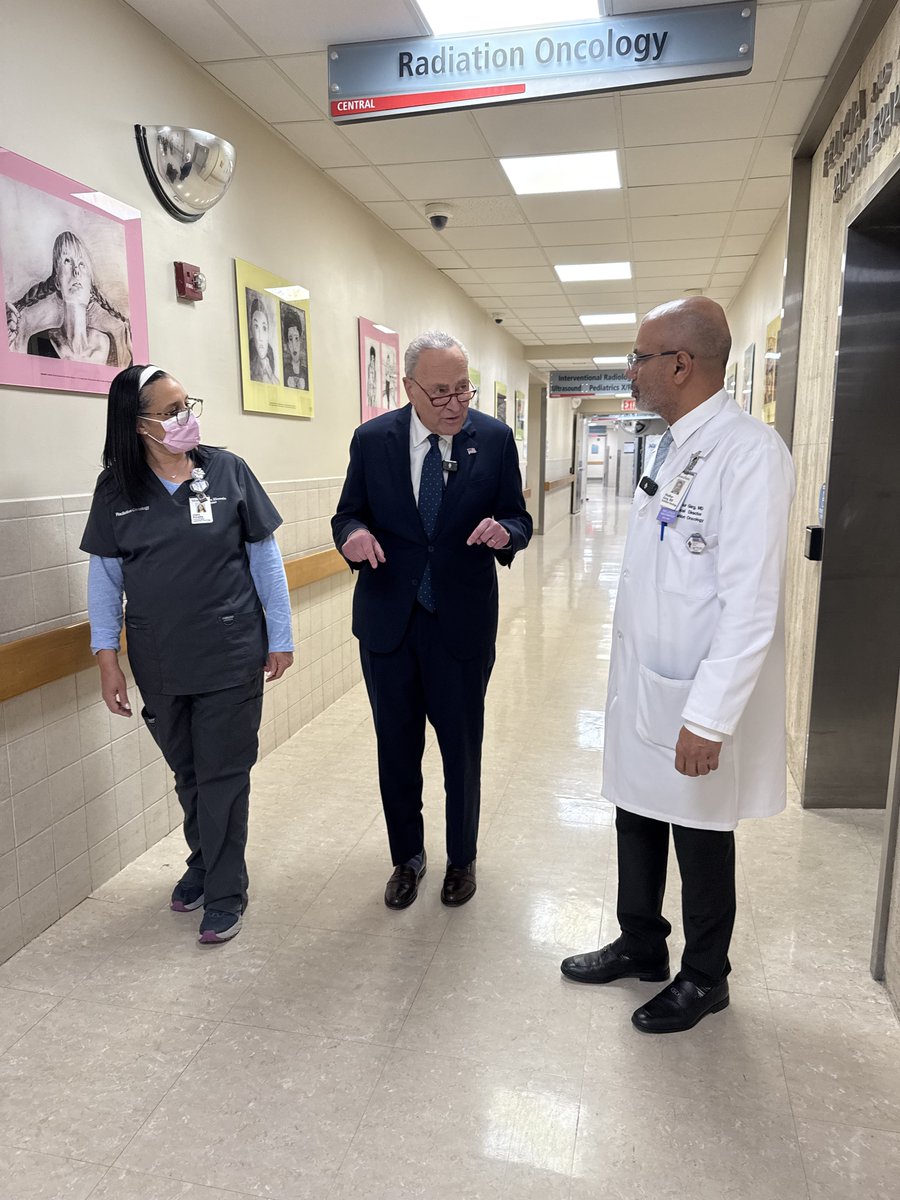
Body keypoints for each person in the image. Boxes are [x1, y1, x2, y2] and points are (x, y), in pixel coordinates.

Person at [561, 298, 795, 1033]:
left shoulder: (749, 453)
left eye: (639, 358)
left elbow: (751, 603)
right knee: (636, 810)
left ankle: (705, 976)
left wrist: (711, 716)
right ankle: (641, 943)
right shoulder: (673, 445)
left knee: (699, 830)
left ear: (682, 364)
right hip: (646, 678)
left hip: (695, 689)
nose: (631, 371)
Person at [80, 364, 294, 943]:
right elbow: (105, 580)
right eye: (171, 411)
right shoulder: (116, 490)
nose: (185, 418)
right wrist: (106, 658)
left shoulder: (227, 470)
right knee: (189, 772)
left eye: (187, 405)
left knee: (224, 774)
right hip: (159, 657)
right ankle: (203, 863)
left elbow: (265, 560)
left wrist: (280, 635)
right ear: (138, 424)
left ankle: (225, 890)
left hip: (230, 650)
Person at [332, 331, 532, 909]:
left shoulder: (492, 439)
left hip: (460, 624)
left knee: (461, 750)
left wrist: (505, 533)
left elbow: (518, 517)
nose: (455, 403)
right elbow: (346, 515)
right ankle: (407, 857)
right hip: (389, 624)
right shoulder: (373, 440)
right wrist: (353, 535)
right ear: (409, 388)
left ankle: (461, 858)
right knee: (396, 749)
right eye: (440, 391)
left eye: (463, 389)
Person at [5, 230, 132, 365]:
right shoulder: (39, 342)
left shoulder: (108, 343)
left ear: (91, 288)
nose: (76, 271)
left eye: (82, 264)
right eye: (67, 261)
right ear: (57, 282)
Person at [248, 295, 279, 384]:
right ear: (251, 330)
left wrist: (271, 375)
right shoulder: (251, 364)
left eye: (264, 328)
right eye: (256, 327)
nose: (260, 337)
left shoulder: (270, 356)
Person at [282, 305, 307, 389]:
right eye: (290, 339)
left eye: (296, 338)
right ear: (287, 343)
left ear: (300, 340)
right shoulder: (284, 371)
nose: (294, 345)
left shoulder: (306, 372)